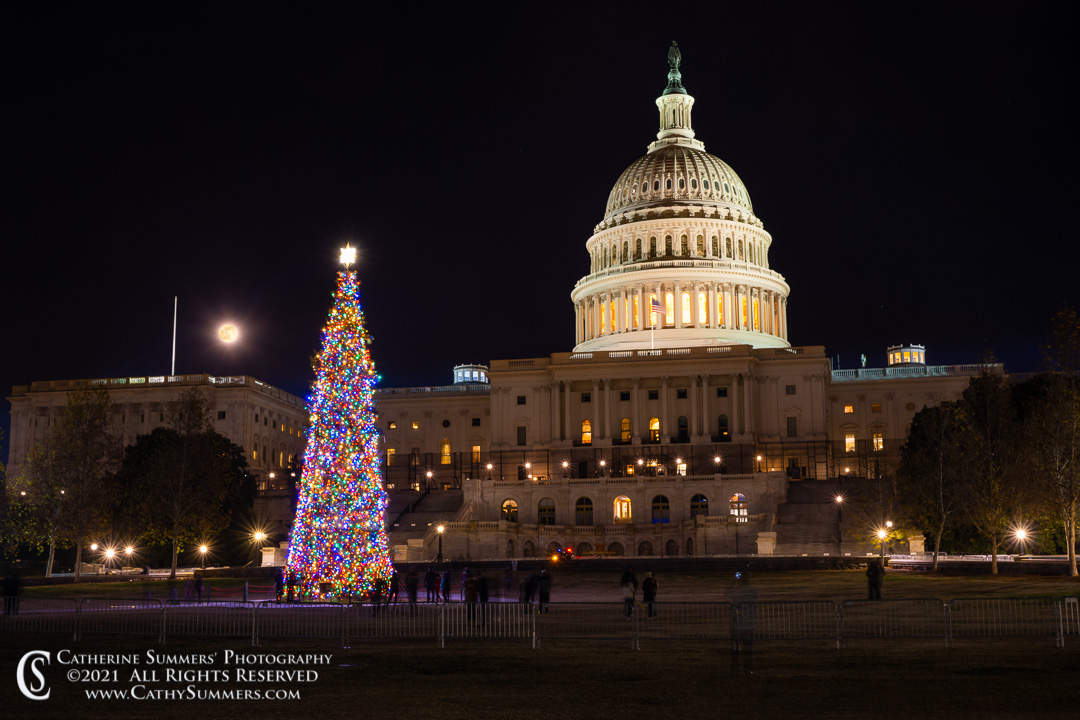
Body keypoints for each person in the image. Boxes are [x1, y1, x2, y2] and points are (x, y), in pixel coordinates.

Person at [728, 572, 759, 674]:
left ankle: (735, 669)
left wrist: (734, 582)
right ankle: (748, 669)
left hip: (738, 620)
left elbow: (728, 593)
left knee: (735, 645)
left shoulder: (737, 590)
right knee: (748, 647)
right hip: (749, 620)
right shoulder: (753, 590)